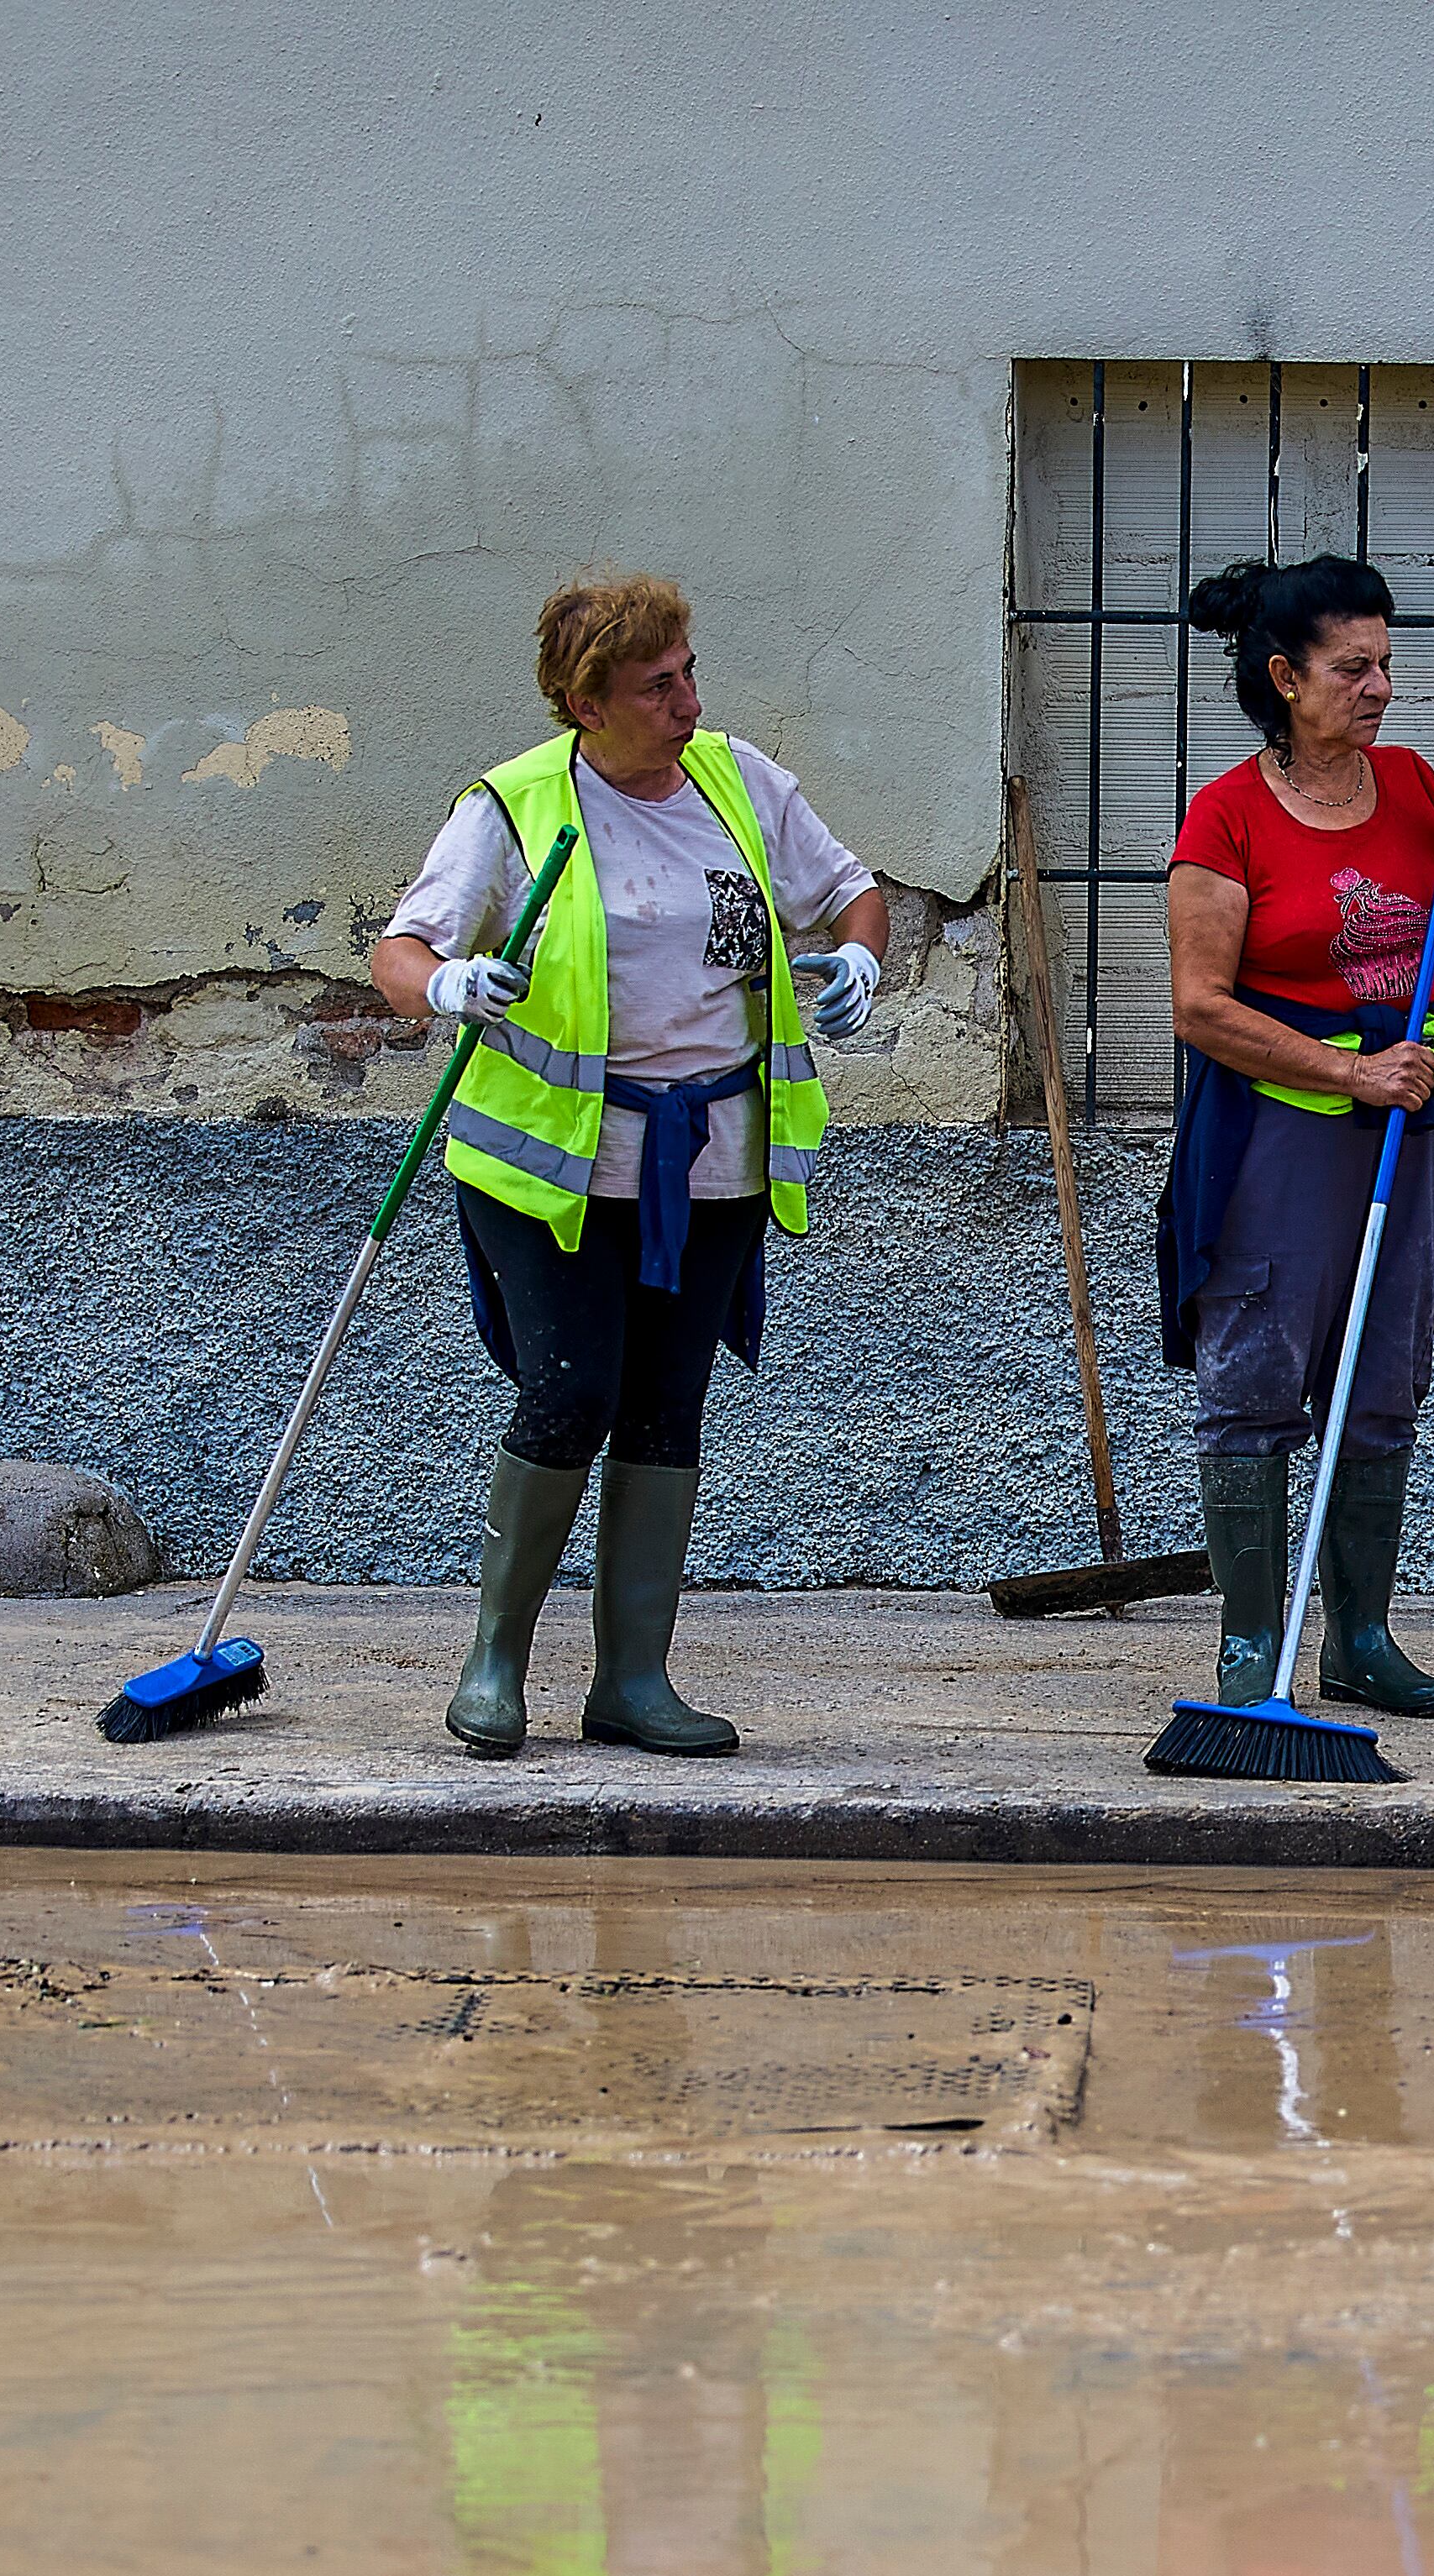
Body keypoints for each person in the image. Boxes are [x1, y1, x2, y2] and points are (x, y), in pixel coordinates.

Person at [369, 571, 887, 1758]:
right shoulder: (515, 807)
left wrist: (860, 961)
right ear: (584, 701)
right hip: (546, 1165)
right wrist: (447, 985)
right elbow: (402, 949)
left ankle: (632, 1684)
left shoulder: (738, 782)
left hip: (710, 1163)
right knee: (570, 1391)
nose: (687, 701)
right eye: (658, 685)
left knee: (665, 1408)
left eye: (689, 671)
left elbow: (851, 893)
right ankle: (494, 1663)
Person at [1158, 554, 1434, 1718]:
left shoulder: (1417, 788)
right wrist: (1344, 1069)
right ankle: (1249, 1653)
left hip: (1406, 1123)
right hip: (1277, 1130)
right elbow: (1200, 1006)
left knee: (1380, 1374)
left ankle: (1359, 1637)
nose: (1379, 689)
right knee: (1256, 1371)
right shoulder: (1227, 814)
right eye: (1352, 668)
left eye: (1386, 666)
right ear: (1284, 676)